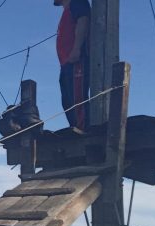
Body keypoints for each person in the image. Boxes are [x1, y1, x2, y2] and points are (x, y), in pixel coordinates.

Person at [55, 0, 91, 132]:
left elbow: (83, 20)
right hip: (66, 64)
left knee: (77, 98)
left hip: (77, 61)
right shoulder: (67, 10)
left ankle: (83, 130)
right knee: (68, 100)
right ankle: (75, 126)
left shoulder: (77, 2)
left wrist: (77, 49)